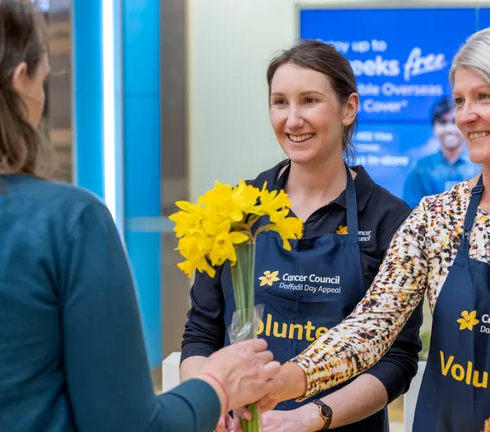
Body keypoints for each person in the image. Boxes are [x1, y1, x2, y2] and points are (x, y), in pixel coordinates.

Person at [267, 25, 490, 431]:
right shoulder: (439, 216)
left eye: (484, 96)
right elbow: (373, 324)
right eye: (460, 100)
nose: (464, 116)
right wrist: (285, 380)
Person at [0, 2, 281, 431]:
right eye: (44, 77)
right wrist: (218, 385)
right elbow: (128, 424)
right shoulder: (69, 223)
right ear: (21, 80)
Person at [179, 40, 423, 432]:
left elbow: (397, 358)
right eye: (280, 102)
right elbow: (201, 333)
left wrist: (312, 416)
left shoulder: (390, 220)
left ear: (348, 108)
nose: (292, 120)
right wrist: (211, 403)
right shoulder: (235, 211)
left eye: (309, 100)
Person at [401, 96, 481, 208]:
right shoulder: (420, 168)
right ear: (434, 128)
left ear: (466, 126)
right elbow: (409, 211)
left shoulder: (480, 166)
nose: (449, 129)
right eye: (442, 123)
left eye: (454, 122)